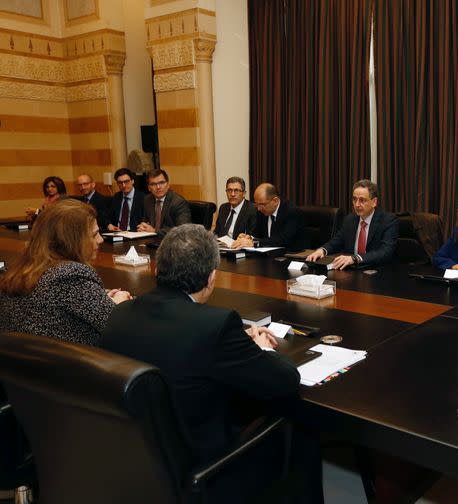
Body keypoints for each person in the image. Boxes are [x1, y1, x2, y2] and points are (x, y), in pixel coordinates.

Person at [99, 224, 320, 503]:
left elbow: (181, 342)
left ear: (157, 269)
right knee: (301, 423)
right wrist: (261, 349)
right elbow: (285, 379)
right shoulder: (215, 325)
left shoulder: (119, 314)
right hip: (203, 470)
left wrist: (237, 342)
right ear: (211, 277)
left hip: (134, 464)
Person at [0, 199, 132, 346]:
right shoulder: (70, 275)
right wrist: (120, 304)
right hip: (70, 366)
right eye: (94, 234)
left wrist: (99, 297)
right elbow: (120, 329)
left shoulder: (19, 269)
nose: (100, 240)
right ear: (73, 240)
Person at [307, 179, 398, 269]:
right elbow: (337, 241)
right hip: (351, 269)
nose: (357, 204)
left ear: (374, 202)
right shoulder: (350, 219)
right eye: (354, 199)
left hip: (376, 271)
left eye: (362, 200)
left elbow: (385, 252)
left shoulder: (387, 220)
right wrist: (322, 250)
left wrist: (355, 258)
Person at [232, 182, 307, 251]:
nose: (258, 208)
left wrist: (254, 243)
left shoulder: (292, 212)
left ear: (275, 201)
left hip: (290, 255)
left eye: (261, 204)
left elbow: (283, 240)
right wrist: (248, 238)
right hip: (268, 256)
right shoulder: (261, 211)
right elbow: (257, 233)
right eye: (256, 204)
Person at [138, 168, 191, 237]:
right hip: (152, 240)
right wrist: (143, 227)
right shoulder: (148, 200)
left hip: (172, 242)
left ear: (168, 184)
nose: (158, 187)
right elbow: (146, 221)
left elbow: (183, 230)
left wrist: (154, 231)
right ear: (149, 188)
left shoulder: (178, 202)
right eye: (153, 184)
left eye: (161, 183)